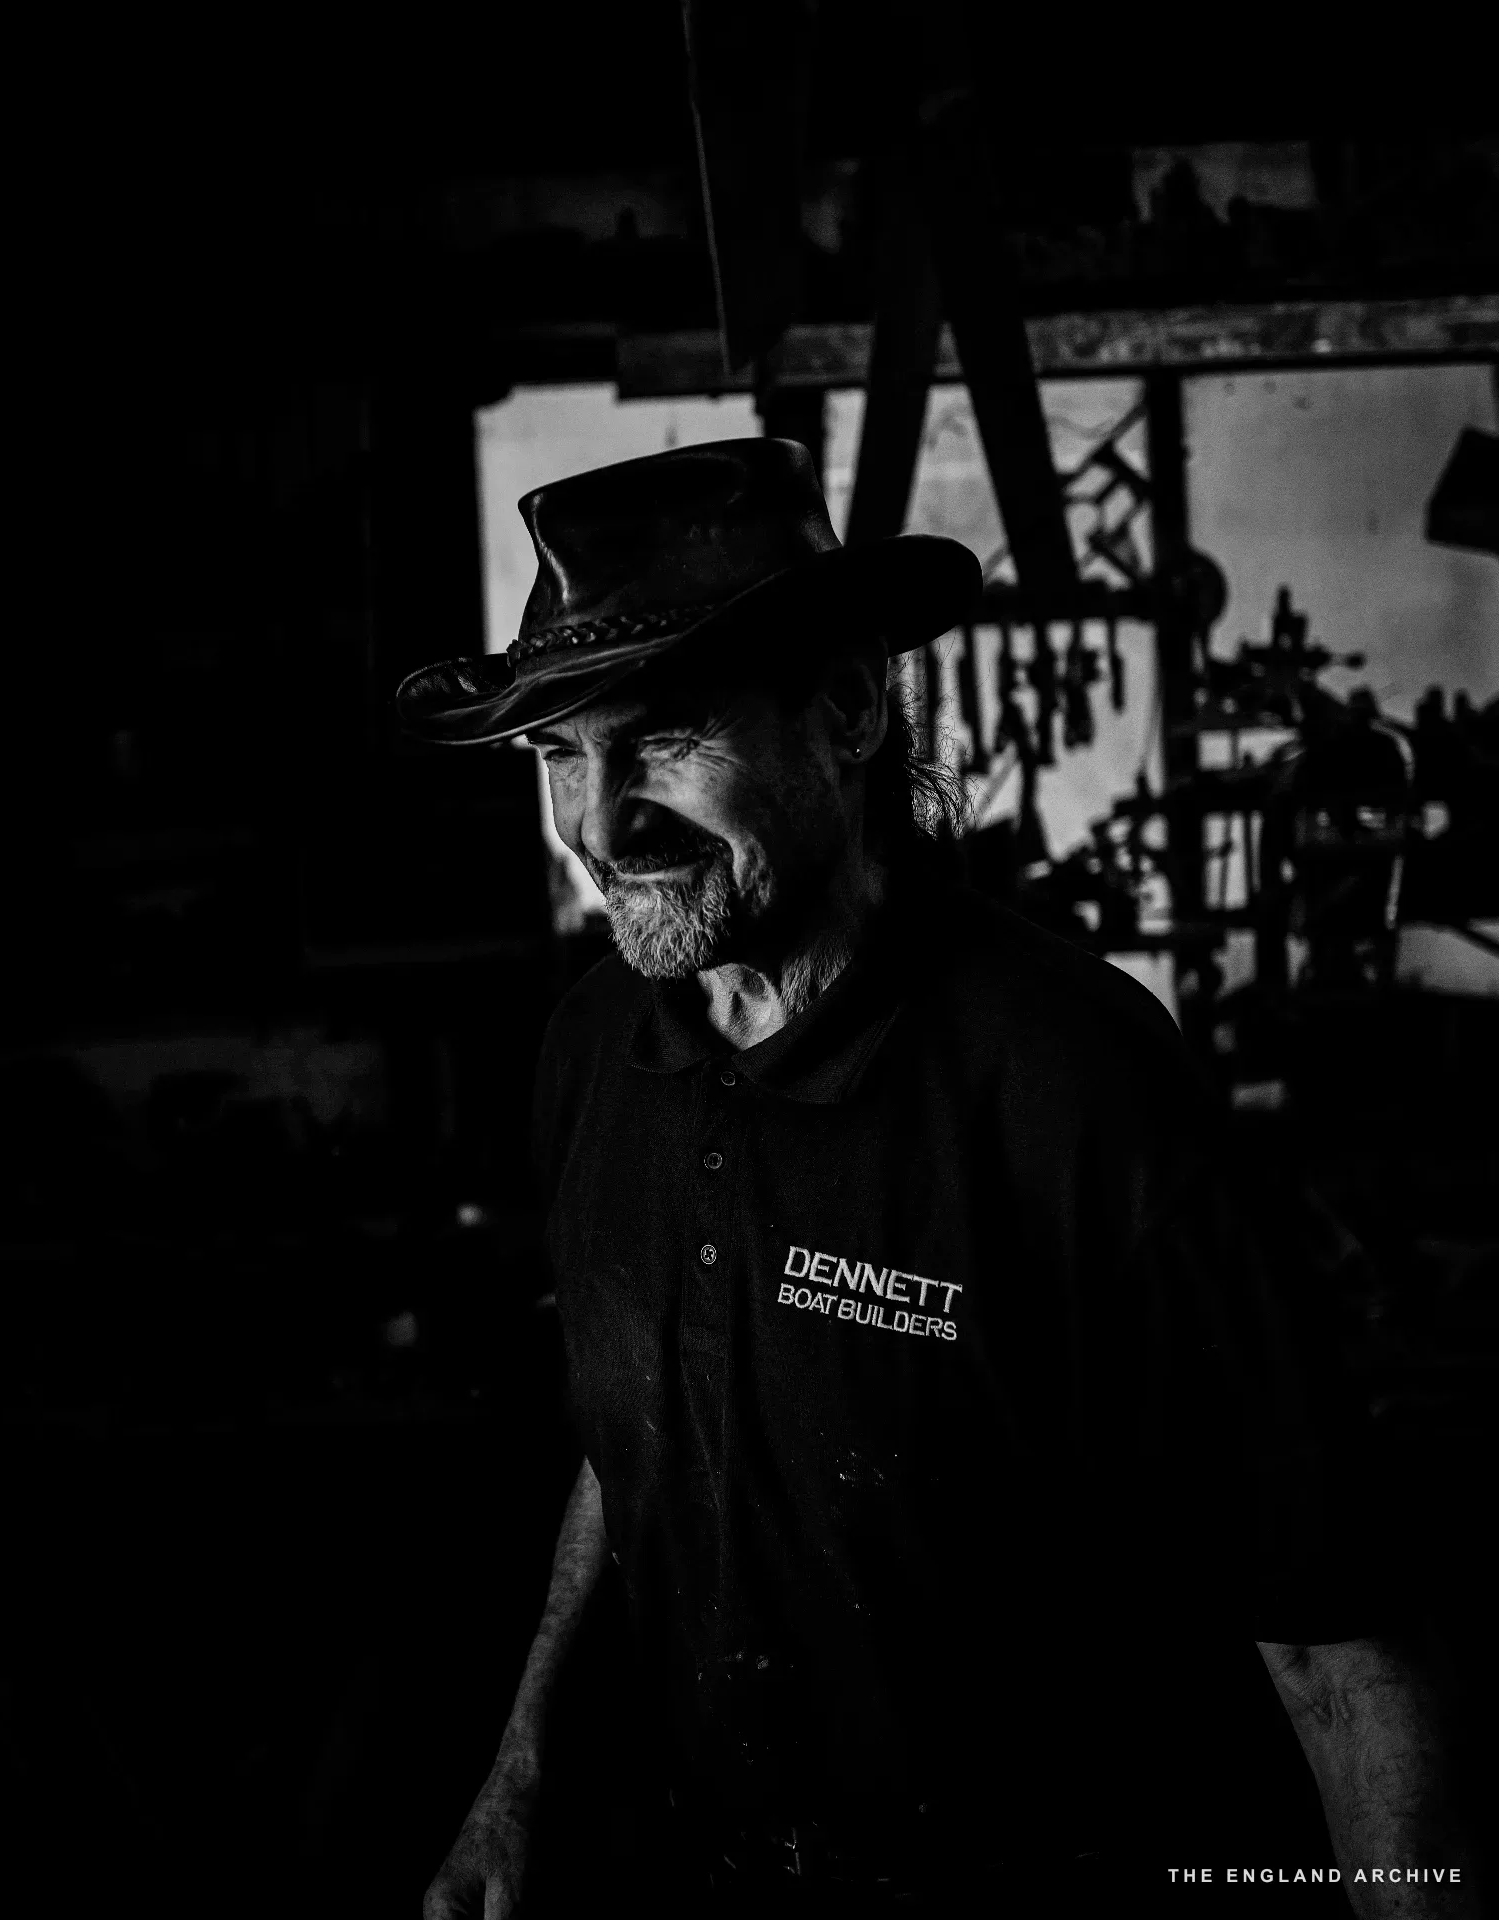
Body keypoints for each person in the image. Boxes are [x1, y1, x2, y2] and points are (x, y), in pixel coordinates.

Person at [399, 440, 1481, 1918]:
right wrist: (522, 1774)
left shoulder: (1072, 1083)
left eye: (660, 735)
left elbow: (1334, 1635)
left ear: (847, 709)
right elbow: (628, 1443)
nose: (600, 824)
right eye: (557, 753)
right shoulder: (593, 1049)